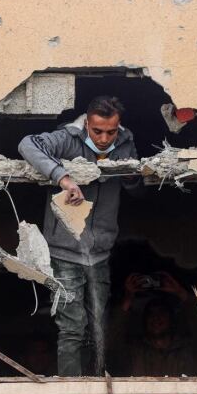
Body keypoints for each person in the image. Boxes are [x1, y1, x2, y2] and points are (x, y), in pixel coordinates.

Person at [17, 95, 140, 376]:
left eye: (111, 131)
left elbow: (138, 189)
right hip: (64, 253)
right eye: (97, 131)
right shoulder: (68, 138)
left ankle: (96, 385)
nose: (105, 138)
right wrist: (63, 177)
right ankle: (72, 393)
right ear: (86, 123)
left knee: (98, 327)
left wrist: (133, 178)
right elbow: (28, 144)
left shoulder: (125, 142)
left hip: (100, 254)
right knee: (72, 329)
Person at [108, 271, 197, 377]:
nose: (156, 318)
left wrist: (180, 292)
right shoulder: (134, 352)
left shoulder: (188, 349)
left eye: (161, 312)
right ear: (144, 320)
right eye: (150, 313)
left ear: (171, 318)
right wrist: (128, 298)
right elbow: (111, 339)